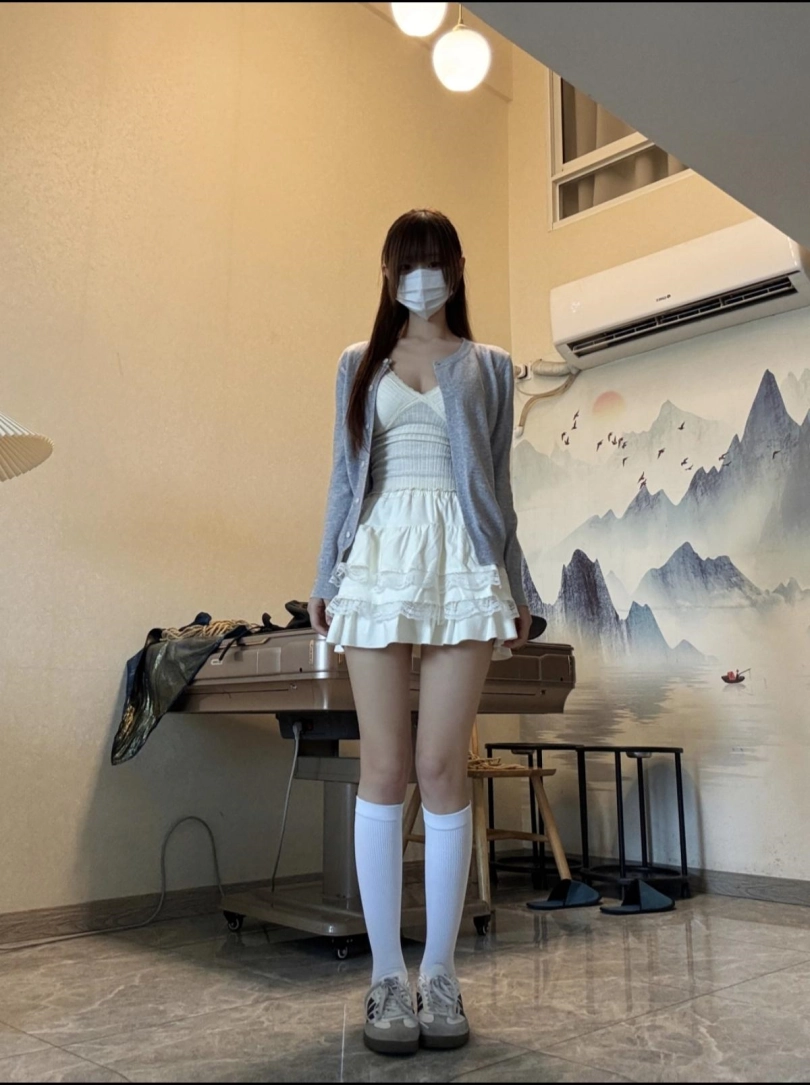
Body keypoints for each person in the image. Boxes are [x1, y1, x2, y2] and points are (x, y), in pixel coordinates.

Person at [308, 209, 531, 1056]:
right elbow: (344, 476)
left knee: (441, 767)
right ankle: (384, 977)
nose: (422, 277)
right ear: (388, 272)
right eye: (408, 263)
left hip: (463, 560)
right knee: (385, 765)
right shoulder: (358, 363)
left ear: (459, 268)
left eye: (435, 262)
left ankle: (439, 971)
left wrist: (517, 583)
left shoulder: (491, 365)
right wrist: (325, 575)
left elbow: (498, 485)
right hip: (378, 557)